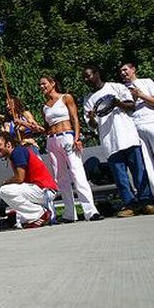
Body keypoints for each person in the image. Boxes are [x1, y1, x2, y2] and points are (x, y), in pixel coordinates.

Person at [82, 65, 154, 217]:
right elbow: (93, 125)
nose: (86, 79)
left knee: (139, 171)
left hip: (128, 136)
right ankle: (130, 204)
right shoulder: (88, 99)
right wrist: (91, 118)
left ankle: (146, 202)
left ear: (97, 74)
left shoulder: (115, 87)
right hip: (109, 141)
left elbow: (131, 106)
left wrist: (118, 103)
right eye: (84, 77)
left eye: (89, 75)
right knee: (120, 176)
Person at [39, 75, 103, 222]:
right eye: (40, 85)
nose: (42, 87)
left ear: (53, 83)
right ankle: (69, 213)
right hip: (52, 140)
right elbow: (46, 127)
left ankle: (90, 211)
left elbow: (74, 118)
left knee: (77, 172)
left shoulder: (66, 98)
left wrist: (77, 137)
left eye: (44, 84)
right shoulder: (44, 106)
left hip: (67, 136)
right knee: (60, 177)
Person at [120, 63, 154, 210]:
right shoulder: (122, 89)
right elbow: (126, 109)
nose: (123, 73)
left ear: (133, 70)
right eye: (121, 71)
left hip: (152, 123)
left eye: (125, 69)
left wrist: (141, 95)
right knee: (147, 165)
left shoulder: (146, 82)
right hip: (135, 128)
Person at [0, 133, 58, 228]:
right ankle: (36, 216)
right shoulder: (16, 154)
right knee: (9, 190)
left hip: (44, 190)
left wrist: (6, 182)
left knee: (5, 190)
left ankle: (39, 214)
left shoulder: (17, 152)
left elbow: (20, 178)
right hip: (40, 190)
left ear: (8, 144)